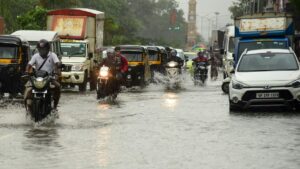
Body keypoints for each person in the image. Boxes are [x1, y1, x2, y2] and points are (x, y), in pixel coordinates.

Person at [24, 39, 61, 110]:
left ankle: (55, 106)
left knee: (58, 86)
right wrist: (27, 71)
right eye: (40, 49)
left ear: (48, 49)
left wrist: (57, 72)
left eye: (44, 49)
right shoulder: (35, 56)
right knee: (28, 88)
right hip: (37, 77)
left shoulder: (53, 55)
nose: (42, 51)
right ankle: (27, 106)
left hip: (49, 77)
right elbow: (29, 65)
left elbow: (57, 64)